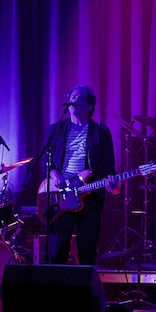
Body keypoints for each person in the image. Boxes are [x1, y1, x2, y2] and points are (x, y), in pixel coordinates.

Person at [42, 84, 117, 267]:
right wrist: (54, 174)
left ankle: (84, 292)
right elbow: (47, 160)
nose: (74, 100)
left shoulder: (101, 131)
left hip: (89, 194)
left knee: (87, 250)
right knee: (57, 250)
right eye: (73, 97)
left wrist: (112, 183)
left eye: (80, 97)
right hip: (61, 194)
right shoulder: (56, 129)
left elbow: (109, 166)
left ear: (90, 106)